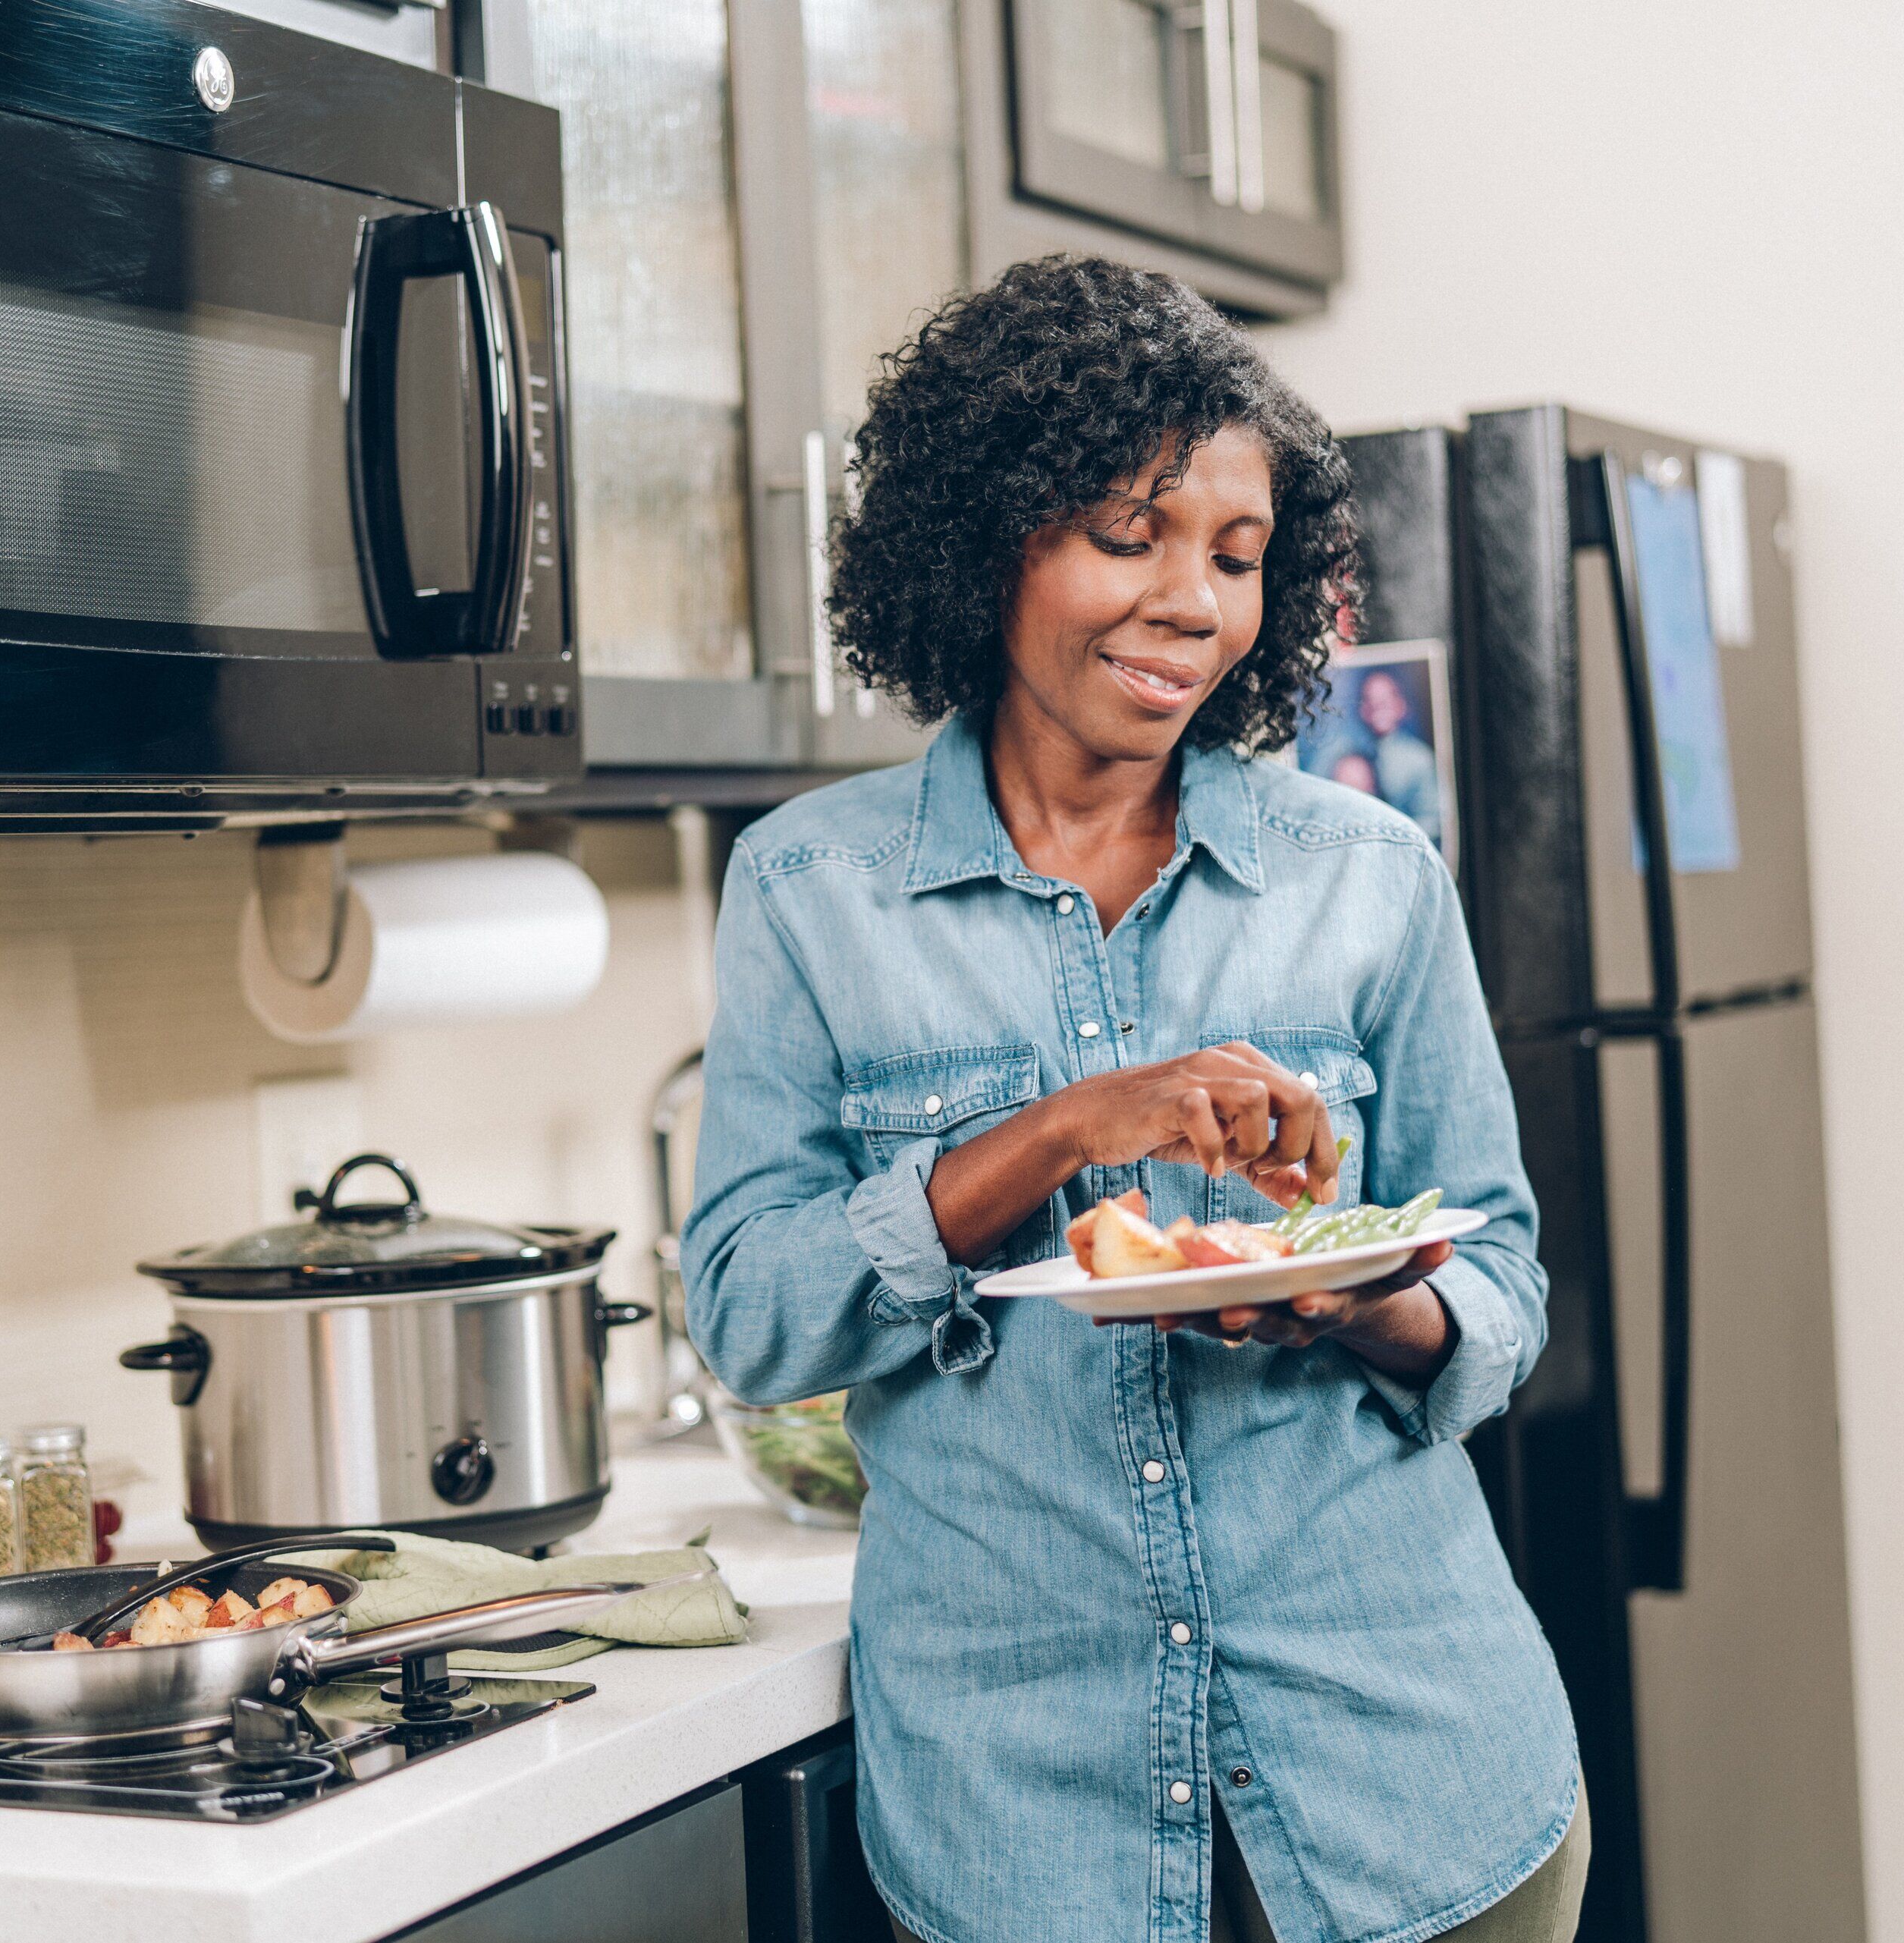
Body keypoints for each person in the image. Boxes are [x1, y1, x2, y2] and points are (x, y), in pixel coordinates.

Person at [682, 256, 1585, 1943]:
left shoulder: (1368, 873)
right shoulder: (810, 891)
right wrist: (1060, 1129)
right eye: (1128, 534)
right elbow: (751, 1313)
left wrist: (1358, 1296)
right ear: (987, 539)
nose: (1192, 601)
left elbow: (1503, 1285)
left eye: (1236, 557)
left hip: (1410, 1785)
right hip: (1030, 1832)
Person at [1356, 667, 1445, 842]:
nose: (1377, 708)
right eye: (1369, 701)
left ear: (1400, 705)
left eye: (1385, 702)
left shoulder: (1420, 759)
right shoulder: (1351, 756)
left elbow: (1434, 820)